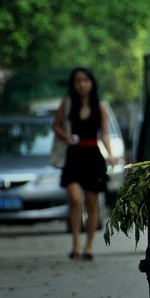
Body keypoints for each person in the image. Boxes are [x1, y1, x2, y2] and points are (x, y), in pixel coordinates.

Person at [52, 67, 113, 260]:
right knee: (76, 199)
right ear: (73, 84)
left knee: (92, 203)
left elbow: (104, 133)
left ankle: (88, 246)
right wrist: (67, 136)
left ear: (91, 83)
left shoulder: (100, 106)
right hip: (73, 156)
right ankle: (75, 243)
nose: (82, 84)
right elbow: (56, 126)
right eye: (78, 81)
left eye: (85, 80)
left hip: (93, 157)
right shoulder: (67, 103)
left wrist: (110, 154)